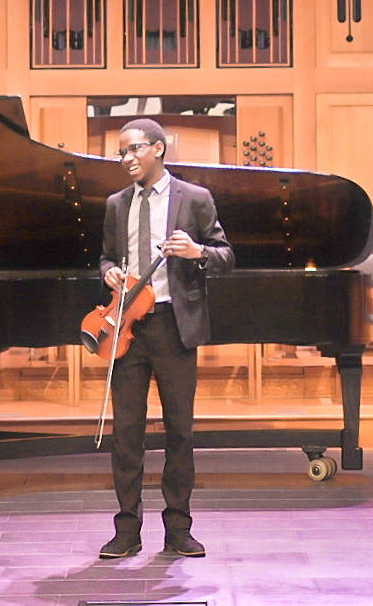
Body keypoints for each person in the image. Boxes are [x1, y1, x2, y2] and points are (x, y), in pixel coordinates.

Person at [97, 118, 234, 559]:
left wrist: (197, 253)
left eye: (134, 149)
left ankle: (178, 527)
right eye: (121, 152)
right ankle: (127, 529)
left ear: (159, 148)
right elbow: (103, 258)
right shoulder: (117, 204)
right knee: (127, 433)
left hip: (175, 327)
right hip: (129, 329)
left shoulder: (195, 199)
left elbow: (226, 256)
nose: (126, 159)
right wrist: (108, 273)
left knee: (179, 431)